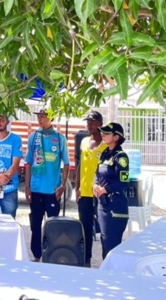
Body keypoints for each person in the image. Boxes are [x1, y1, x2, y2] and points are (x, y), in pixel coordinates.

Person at [24, 109, 69, 262]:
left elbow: (66, 163)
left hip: (52, 189)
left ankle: (52, 255)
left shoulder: (59, 138)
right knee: (35, 224)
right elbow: (28, 163)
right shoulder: (34, 137)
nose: (40, 119)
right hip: (36, 188)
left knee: (53, 226)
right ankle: (36, 255)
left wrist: (63, 185)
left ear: (51, 117)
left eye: (43, 116)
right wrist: (27, 187)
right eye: (38, 116)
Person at [75, 110, 106, 267]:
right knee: (85, 229)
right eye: (88, 122)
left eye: (93, 122)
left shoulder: (106, 144)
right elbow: (80, 165)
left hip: (100, 194)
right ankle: (86, 261)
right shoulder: (84, 141)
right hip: (85, 193)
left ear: (100, 124)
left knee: (104, 230)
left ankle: (106, 262)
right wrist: (77, 188)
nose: (90, 125)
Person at [94, 122, 129, 259]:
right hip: (103, 204)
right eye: (102, 132)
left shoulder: (120, 156)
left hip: (116, 205)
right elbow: (98, 174)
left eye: (106, 133)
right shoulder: (105, 153)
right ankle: (105, 269)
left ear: (116, 137)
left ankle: (112, 271)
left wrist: (105, 189)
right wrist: (95, 185)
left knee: (112, 244)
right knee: (104, 240)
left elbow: (124, 182)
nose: (102, 134)